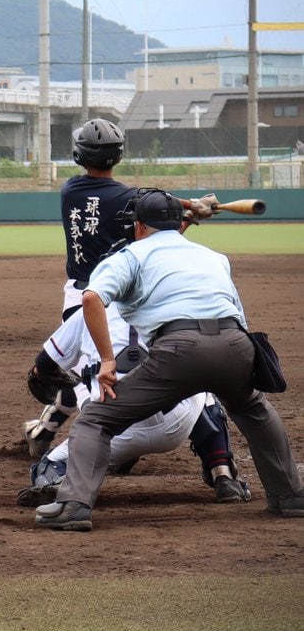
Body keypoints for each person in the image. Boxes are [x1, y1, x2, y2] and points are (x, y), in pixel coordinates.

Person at [34, 188, 304, 530]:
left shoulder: (129, 256)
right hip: (237, 345)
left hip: (179, 350)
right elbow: (237, 314)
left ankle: (74, 506)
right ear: (179, 223)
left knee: (96, 420)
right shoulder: (214, 256)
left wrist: (107, 362)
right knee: (255, 410)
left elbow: (90, 299)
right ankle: (290, 496)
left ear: (140, 226)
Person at [24, 119, 218, 453]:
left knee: (91, 369)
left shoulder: (70, 190)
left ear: (79, 154)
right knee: (132, 367)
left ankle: (45, 432)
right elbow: (156, 240)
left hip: (80, 296)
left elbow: (146, 202)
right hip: (129, 297)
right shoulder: (132, 200)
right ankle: (214, 458)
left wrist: (189, 209)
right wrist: (191, 210)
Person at [19, 300, 250, 508]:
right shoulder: (178, 309)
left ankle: (62, 482)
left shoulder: (86, 313)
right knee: (204, 387)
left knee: (45, 467)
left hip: (109, 434)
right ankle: (223, 473)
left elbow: (43, 368)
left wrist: (43, 376)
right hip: (176, 423)